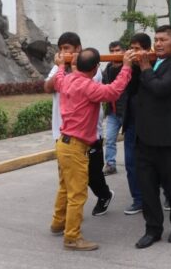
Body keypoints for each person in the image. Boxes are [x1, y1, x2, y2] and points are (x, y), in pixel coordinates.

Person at [50, 46, 134, 251]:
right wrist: (126, 67)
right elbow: (113, 91)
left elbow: (59, 77)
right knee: (77, 194)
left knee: (65, 187)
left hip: (64, 143)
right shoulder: (88, 87)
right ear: (96, 68)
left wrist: (61, 65)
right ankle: (71, 237)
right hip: (75, 146)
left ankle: (58, 223)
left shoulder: (66, 79)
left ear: (76, 65)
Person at [43, 32, 114, 219]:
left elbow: (82, 86)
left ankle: (104, 195)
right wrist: (61, 67)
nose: (63, 52)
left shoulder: (92, 67)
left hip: (89, 133)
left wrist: (71, 68)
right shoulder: (59, 68)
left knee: (92, 174)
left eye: (66, 48)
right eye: (60, 49)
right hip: (63, 132)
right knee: (67, 180)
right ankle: (63, 221)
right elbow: (48, 87)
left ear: (78, 49)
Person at [134, 25, 171, 249]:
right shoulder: (149, 63)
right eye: (156, 39)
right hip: (146, 139)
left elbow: (160, 88)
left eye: (163, 40)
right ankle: (153, 229)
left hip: (170, 139)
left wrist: (145, 67)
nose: (157, 43)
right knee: (147, 188)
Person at [121, 33, 152, 215]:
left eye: (137, 49)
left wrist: (144, 67)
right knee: (131, 163)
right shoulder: (128, 67)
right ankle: (138, 199)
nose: (134, 52)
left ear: (147, 50)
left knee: (156, 163)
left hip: (151, 123)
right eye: (131, 48)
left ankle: (166, 195)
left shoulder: (153, 65)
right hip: (132, 121)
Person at [102, 41, 127, 175]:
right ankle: (110, 164)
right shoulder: (108, 68)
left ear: (123, 51)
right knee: (110, 139)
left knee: (131, 141)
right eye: (111, 51)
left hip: (127, 112)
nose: (114, 53)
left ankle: (134, 164)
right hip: (113, 111)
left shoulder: (128, 68)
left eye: (117, 50)